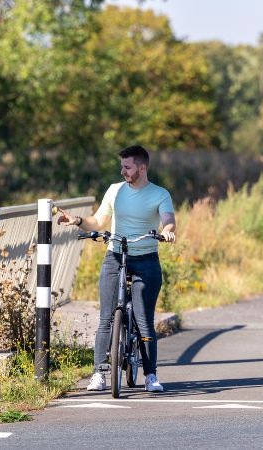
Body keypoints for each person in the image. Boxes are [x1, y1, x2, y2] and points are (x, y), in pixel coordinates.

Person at [57, 144, 176, 392]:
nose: (122, 171)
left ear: (142, 168)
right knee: (106, 319)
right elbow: (98, 220)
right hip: (115, 255)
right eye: (121, 166)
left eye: (127, 167)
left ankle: (151, 375)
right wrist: (77, 221)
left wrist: (167, 232)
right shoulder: (114, 191)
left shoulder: (160, 194)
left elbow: (168, 220)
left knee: (145, 321)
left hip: (146, 260)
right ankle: (100, 373)